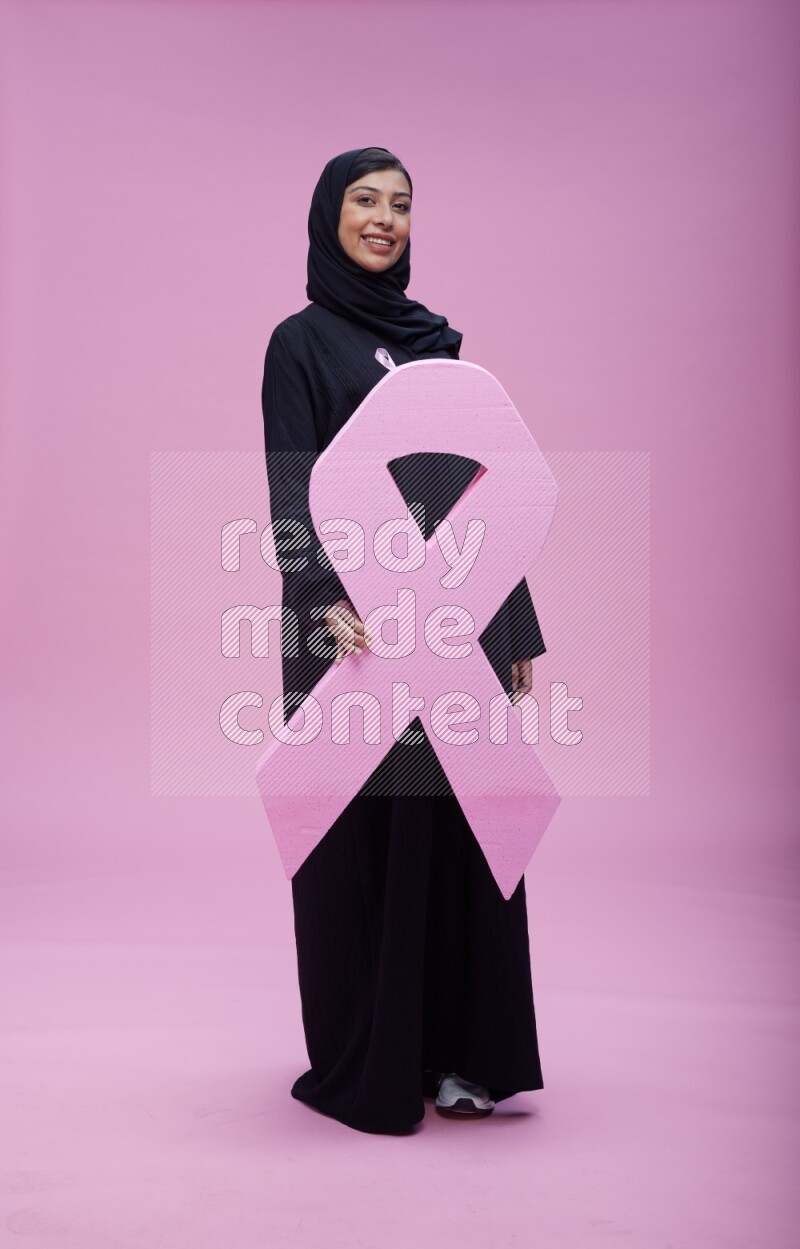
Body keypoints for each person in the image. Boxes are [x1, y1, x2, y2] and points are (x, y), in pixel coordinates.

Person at [261, 147, 547, 1134]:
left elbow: (484, 485)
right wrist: (319, 597)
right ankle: (371, 1062)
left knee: (461, 835)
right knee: (359, 847)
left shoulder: (439, 346)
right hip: (353, 629)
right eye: (365, 200)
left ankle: (465, 1055)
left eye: (400, 204)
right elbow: (292, 480)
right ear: (329, 215)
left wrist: (515, 620)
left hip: (454, 621)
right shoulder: (299, 344)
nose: (384, 219)